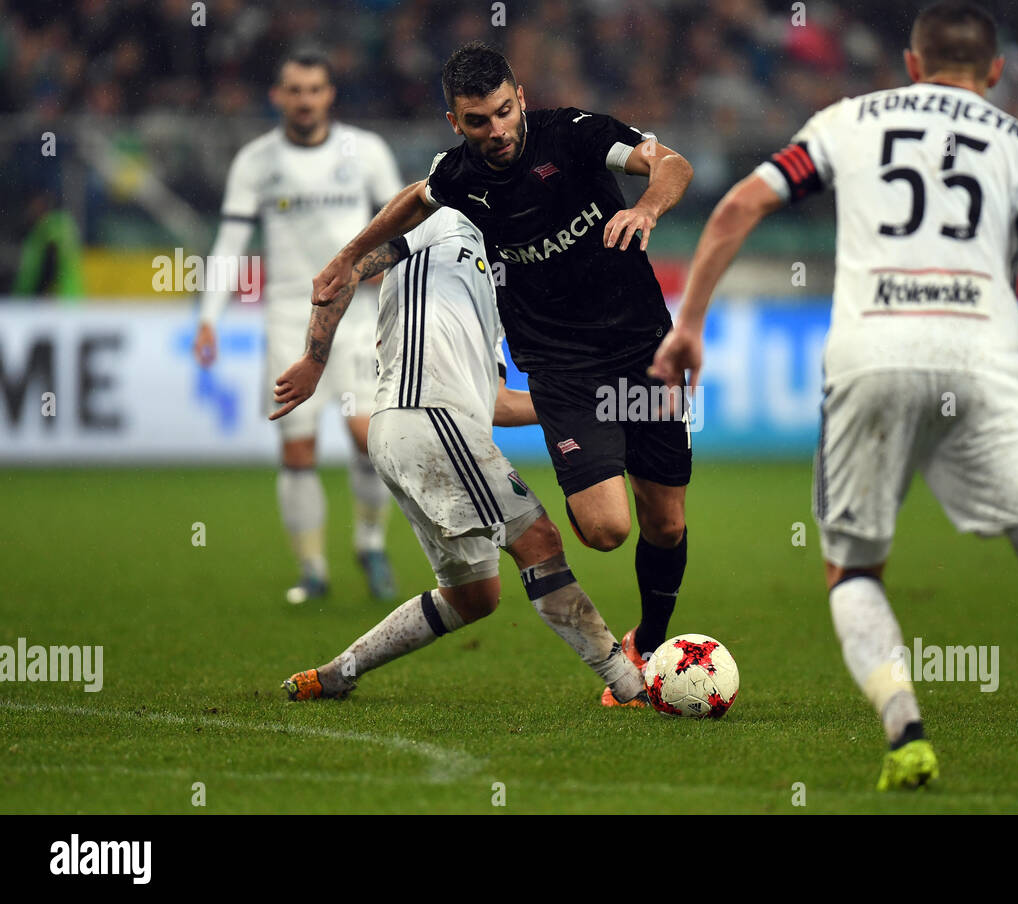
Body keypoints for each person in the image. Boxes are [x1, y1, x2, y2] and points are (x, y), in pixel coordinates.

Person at [650, 1, 1018, 798]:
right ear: (995, 73)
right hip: (985, 355)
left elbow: (738, 207)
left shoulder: (848, 118)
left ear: (910, 63)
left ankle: (906, 733)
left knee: (853, 569)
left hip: (872, 353)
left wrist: (689, 321)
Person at [311, 42, 696, 705]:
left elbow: (671, 163)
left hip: (642, 350)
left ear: (520, 98)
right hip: (561, 366)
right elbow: (414, 200)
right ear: (455, 121)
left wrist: (646, 208)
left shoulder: (575, 135)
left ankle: (650, 639)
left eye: (502, 112)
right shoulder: (460, 176)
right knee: (606, 531)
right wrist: (349, 257)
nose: (497, 131)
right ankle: (598, 464)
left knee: (665, 521)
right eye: (477, 120)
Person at [275, 206, 646, 707]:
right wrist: (315, 361)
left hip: (417, 433)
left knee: (474, 597)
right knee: (538, 540)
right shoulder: (447, 218)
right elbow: (346, 269)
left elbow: (498, 403)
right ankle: (629, 685)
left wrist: (585, 407)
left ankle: (338, 672)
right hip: (426, 413)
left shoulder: (493, 297)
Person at [194, 49, 403, 604]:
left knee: (368, 438)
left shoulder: (367, 152)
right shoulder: (256, 162)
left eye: (315, 89)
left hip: (358, 317)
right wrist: (208, 318)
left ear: (329, 94)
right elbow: (231, 244)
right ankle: (312, 569)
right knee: (298, 451)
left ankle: (370, 543)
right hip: (288, 318)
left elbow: (404, 230)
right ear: (278, 97)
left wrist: (395, 289)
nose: (305, 99)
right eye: (295, 90)